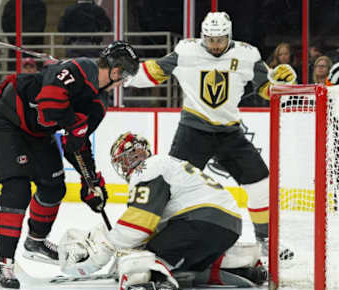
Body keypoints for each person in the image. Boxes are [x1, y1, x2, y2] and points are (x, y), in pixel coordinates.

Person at [125, 12, 297, 256]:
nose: (215, 45)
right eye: (210, 39)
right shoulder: (186, 52)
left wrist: (282, 83)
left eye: (220, 39)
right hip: (193, 131)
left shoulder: (248, 55)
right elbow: (154, 72)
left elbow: (267, 89)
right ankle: (152, 237)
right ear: (202, 36)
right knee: (171, 187)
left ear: (230, 36)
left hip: (229, 132)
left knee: (260, 183)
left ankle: (265, 240)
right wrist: (122, 73)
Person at [0, 41, 140, 290]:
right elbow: (49, 109)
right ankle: (4, 266)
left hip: (37, 133)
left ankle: (36, 242)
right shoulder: (75, 70)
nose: (123, 83)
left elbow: (76, 144)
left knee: (54, 186)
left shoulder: (97, 105)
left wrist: (91, 181)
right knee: (17, 189)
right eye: (125, 76)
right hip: (6, 123)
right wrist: (72, 122)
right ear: (116, 71)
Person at [58, 132, 267, 290]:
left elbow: (140, 224)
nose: (125, 165)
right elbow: (154, 225)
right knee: (185, 263)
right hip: (229, 226)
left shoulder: (148, 168)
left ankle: (152, 280)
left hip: (199, 221)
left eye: (125, 159)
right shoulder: (168, 164)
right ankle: (241, 266)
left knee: (142, 258)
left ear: (137, 155)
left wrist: (108, 246)